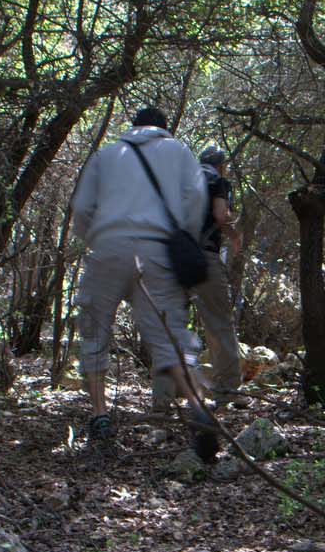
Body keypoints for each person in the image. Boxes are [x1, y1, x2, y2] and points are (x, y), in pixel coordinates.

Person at [71, 107, 219, 461]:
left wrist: (94, 238)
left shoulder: (107, 154)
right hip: (158, 252)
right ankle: (199, 407)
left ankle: (99, 415)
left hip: (108, 247)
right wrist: (183, 238)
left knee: (94, 330)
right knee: (170, 335)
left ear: (133, 128)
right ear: (163, 129)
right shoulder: (180, 151)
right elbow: (196, 200)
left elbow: (81, 207)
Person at [152, 145, 244, 410]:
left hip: (172, 257)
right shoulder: (217, 180)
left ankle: (162, 397)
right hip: (203, 256)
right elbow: (220, 215)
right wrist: (234, 236)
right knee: (218, 322)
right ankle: (227, 391)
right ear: (221, 165)